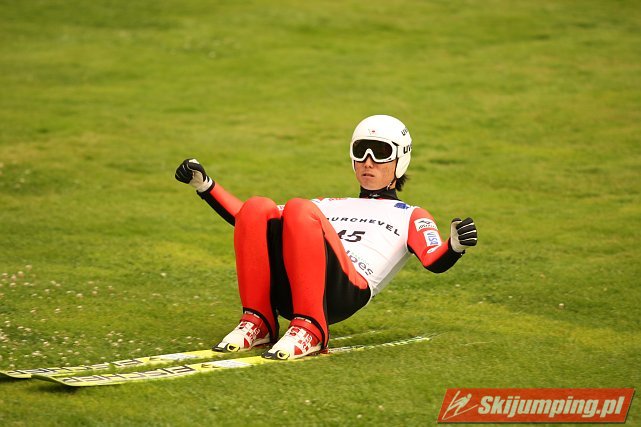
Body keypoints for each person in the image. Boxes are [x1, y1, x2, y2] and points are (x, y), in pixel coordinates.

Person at [175, 115, 477, 360]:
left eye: (380, 153)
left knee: (298, 208)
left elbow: (433, 260)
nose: (368, 161)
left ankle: (312, 329)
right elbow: (248, 222)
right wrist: (206, 187)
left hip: (344, 290)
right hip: (292, 286)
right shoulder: (327, 204)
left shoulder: (410, 214)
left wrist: (454, 246)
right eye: (361, 151)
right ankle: (259, 321)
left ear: (401, 160)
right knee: (257, 206)